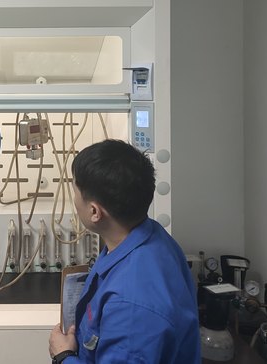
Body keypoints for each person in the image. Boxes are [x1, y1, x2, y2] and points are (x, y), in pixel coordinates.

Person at [48, 139, 200, 364]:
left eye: (76, 193)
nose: (75, 201)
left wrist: (64, 356)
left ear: (94, 212)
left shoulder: (131, 309)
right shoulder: (151, 235)